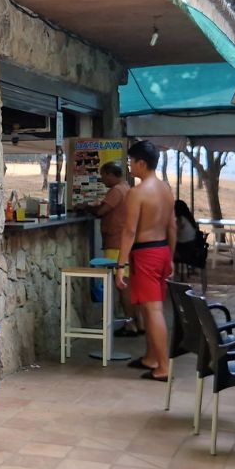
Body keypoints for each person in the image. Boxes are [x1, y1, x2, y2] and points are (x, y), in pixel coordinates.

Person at [115, 140, 177, 381]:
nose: (129, 166)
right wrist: (170, 257)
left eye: (131, 161)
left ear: (142, 163)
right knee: (150, 307)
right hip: (161, 251)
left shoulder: (137, 193)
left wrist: (120, 266)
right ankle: (152, 357)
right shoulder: (166, 190)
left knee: (153, 310)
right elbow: (172, 225)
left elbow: (129, 231)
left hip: (145, 253)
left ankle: (163, 367)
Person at [79, 162, 141, 336]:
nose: (102, 179)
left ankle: (130, 324)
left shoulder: (116, 191)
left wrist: (86, 207)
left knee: (122, 285)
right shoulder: (127, 188)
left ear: (109, 174)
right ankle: (138, 322)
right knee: (128, 285)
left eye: (103, 175)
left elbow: (102, 211)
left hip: (116, 243)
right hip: (123, 242)